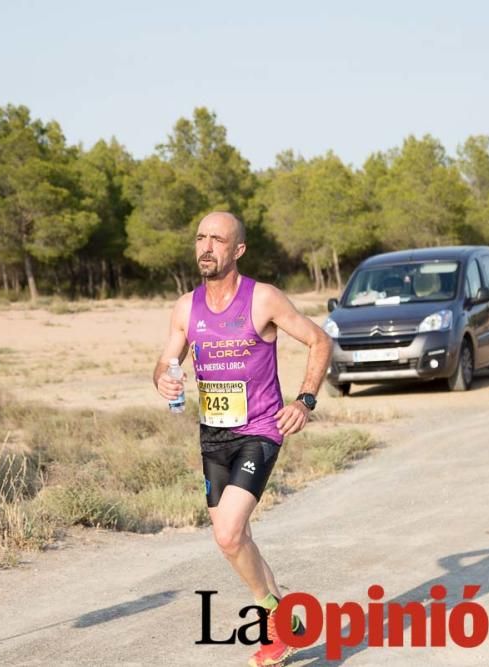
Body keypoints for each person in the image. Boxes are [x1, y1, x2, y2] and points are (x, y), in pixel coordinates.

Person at [153, 211, 332, 666]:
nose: (206, 247)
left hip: (259, 431)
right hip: (213, 436)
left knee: (228, 535)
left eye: (217, 239)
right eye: (200, 238)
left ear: (238, 250)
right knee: (240, 538)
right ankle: (286, 627)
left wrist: (304, 401)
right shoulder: (185, 307)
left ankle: (273, 615)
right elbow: (165, 362)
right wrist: (164, 380)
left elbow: (319, 341)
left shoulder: (263, 299)